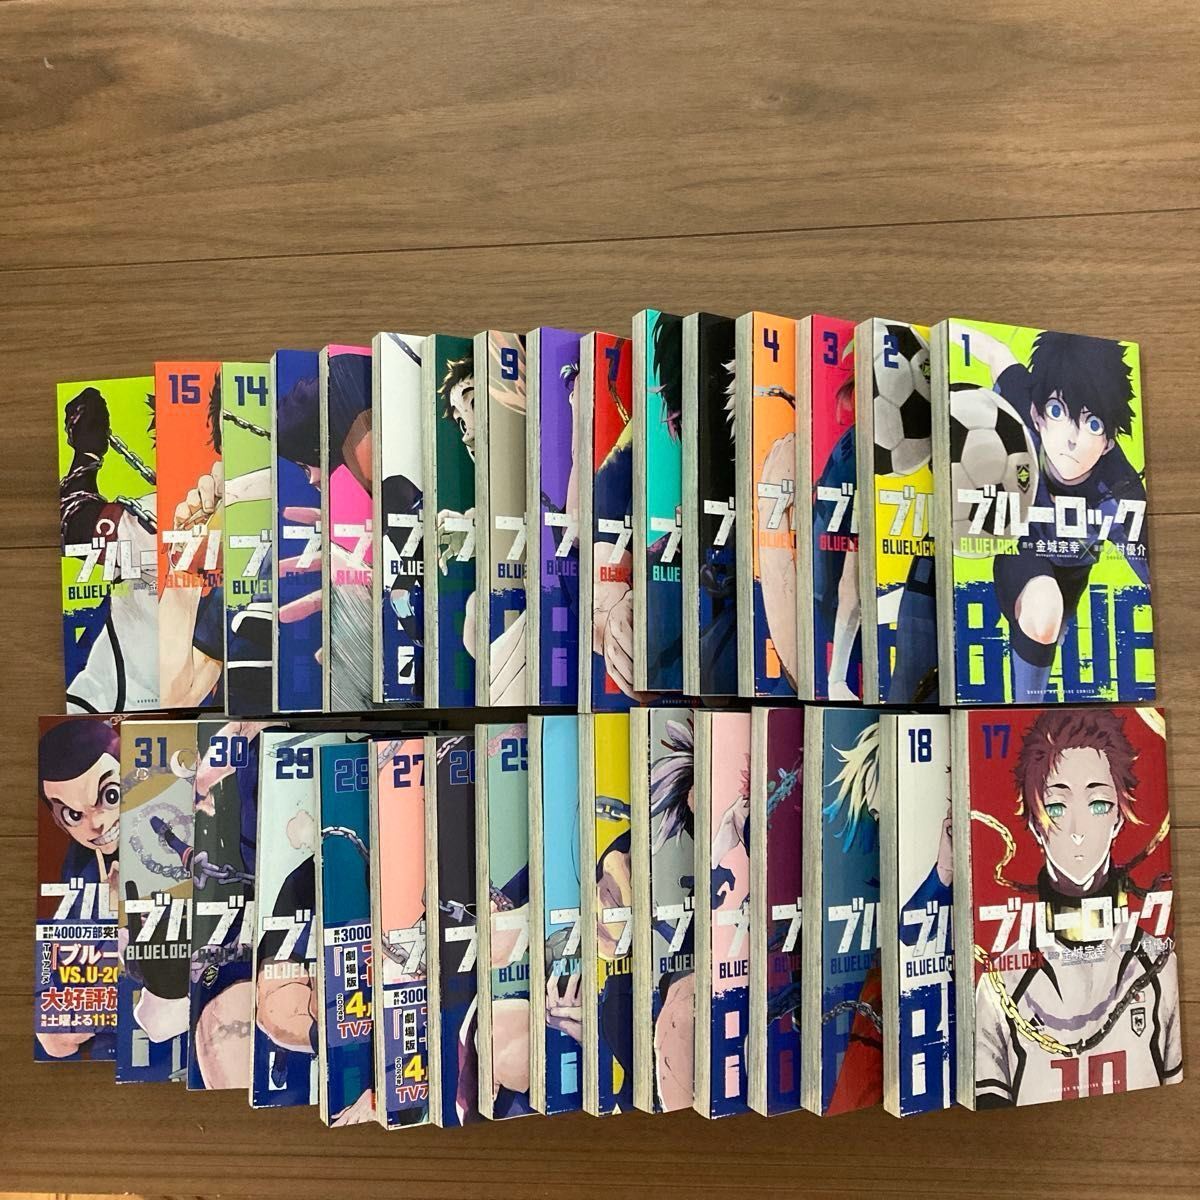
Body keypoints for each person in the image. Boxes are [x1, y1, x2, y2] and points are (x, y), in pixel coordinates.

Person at [974, 709, 1181, 1106]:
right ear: (1035, 824)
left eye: (1098, 804)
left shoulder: (1158, 967)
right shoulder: (1001, 985)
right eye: (1056, 808)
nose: (1077, 830)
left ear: (1119, 818)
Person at [959, 328, 1149, 702]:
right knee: (1044, 609)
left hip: (1074, 572)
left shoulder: (1120, 492)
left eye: (1092, 424)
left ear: (1109, 441)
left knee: (1054, 626)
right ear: (1038, 414)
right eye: (1058, 412)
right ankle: (1025, 715)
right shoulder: (1021, 409)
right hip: (1022, 553)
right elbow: (995, 350)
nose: (1071, 438)